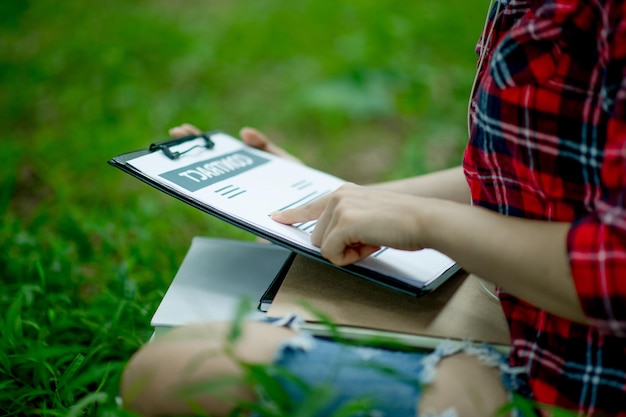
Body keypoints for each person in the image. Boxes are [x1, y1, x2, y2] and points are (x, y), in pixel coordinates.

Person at [120, 0, 626, 416]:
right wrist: (338, 198)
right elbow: (524, 177)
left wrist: (425, 221)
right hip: (523, 308)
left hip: (576, 378)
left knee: (178, 370)